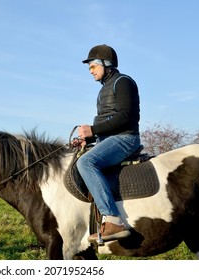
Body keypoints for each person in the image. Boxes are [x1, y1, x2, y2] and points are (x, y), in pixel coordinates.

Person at [74, 44, 141, 242]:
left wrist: (93, 130)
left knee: (86, 163)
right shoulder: (103, 90)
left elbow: (126, 116)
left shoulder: (123, 82)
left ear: (106, 63)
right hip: (110, 139)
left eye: (93, 66)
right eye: (89, 68)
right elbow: (107, 123)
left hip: (126, 138)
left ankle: (113, 220)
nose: (90, 71)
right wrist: (89, 137)